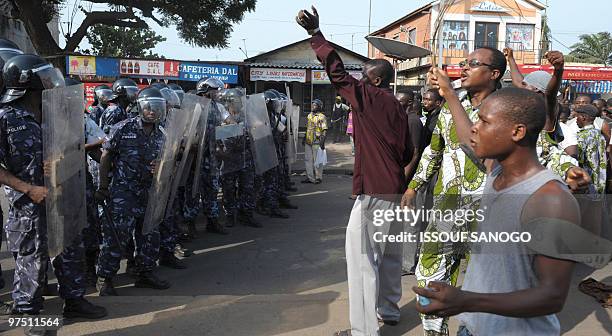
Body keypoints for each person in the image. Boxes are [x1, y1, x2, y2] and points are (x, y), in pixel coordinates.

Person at [414, 88, 581, 336]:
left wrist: (466, 301)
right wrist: (449, 92)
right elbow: (464, 138)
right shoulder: (496, 173)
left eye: (484, 121)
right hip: (472, 328)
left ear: (517, 132)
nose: (474, 128)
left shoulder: (551, 200)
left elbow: (552, 297)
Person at [298, 7, 411, 336]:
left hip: (375, 192)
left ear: (375, 80)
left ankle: (363, 330)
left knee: (363, 262)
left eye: (363, 76)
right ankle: (389, 311)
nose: (357, 81)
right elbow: (405, 151)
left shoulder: (369, 97)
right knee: (389, 256)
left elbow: (337, 74)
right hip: (393, 188)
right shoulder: (397, 107)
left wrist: (315, 35)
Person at [0, 55, 107, 333]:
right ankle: (29, 316)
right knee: (32, 260)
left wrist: (61, 161)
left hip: (62, 195)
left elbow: (73, 148)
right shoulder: (5, 117)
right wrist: (28, 188)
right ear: (27, 82)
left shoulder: (55, 113)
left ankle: (74, 300)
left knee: (70, 249)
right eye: (44, 78)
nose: (50, 82)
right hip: (29, 205)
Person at [95, 87, 171, 295]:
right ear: (140, 108)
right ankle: (105, 277)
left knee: (148, 234)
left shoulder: (162, 134)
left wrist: (162, 168)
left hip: (148, 193)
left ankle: (145, 273)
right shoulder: (123, 128)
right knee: (117, 237)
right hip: (123, 194)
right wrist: (103, 186)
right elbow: (106, 157)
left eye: (157, 108)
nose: (153, 112)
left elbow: (167, 162)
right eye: (149, 108)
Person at [195, 77, 229, 234]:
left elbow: (229, 121)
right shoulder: (194, 106)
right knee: (192, 191)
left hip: (213, 156)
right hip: (195, 157)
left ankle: (212, 220)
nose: (217, 93)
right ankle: (189, 224)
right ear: (206, 91)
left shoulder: (218, 107)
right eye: (215, 91)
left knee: (212, 188)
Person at [574, 104, 607, 194]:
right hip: (600, 180)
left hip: (587, 182)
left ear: (583, 117)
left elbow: (579, 160)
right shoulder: (598, 134)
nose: (576, 120)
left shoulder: (582, 136)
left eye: (577, 117)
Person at [397, 91, 423, 183]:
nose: (396, 104)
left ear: (410, 102)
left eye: (399, 101)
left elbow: (416, 153)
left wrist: (405, 175)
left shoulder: (413, 121)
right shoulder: (403, 118)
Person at [302, 98, 327, 184]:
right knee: (307, 160)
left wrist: (322, 142)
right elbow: (308, 128)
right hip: (308, 141)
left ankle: (318, 177)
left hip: (317, 141)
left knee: (317, 160)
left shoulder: (322, 117)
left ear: (319, 107)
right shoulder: (309, 115)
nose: (312, 106)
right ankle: (310, 177)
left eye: (315, 105)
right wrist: (304, 138)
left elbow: (324, 130)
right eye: (312, 105)